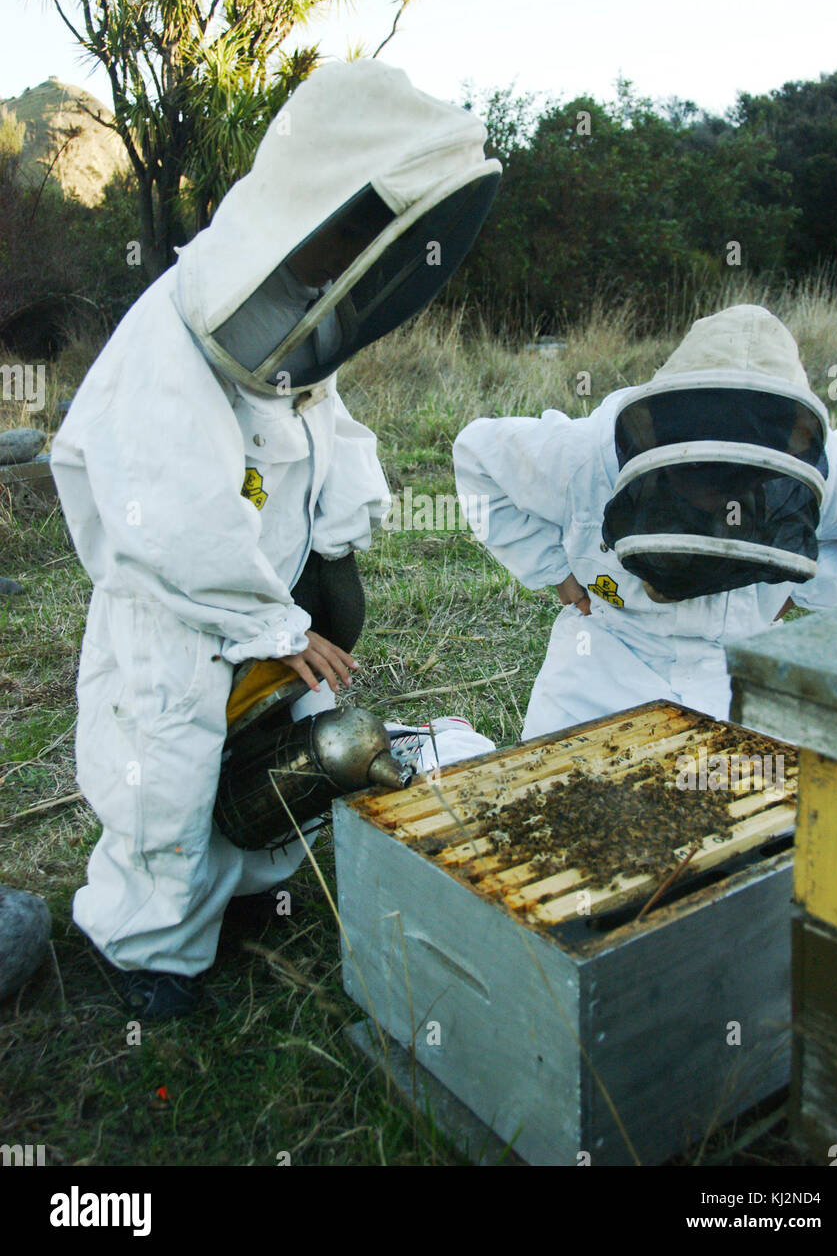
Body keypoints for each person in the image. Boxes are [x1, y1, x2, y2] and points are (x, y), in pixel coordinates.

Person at [51, 60, 501, 1018]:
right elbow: (164, 515)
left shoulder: (291, 328)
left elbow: (330, 435)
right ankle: (147, 955)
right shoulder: (164, 348)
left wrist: (332, 556)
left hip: (271, 604)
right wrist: (273, 622)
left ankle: (244, 892)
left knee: (273, 755)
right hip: (177, 621)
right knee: (164, 783)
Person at [453, 304, 837, 739]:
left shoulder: (832, 470)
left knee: (765, 793)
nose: (719, 496)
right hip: (611, 651)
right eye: (703, 477)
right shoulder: (583, 455)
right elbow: (477, 458)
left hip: (741, 660)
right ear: (661, 430)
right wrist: (555, 573)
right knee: (544, 784)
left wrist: (800, 579)